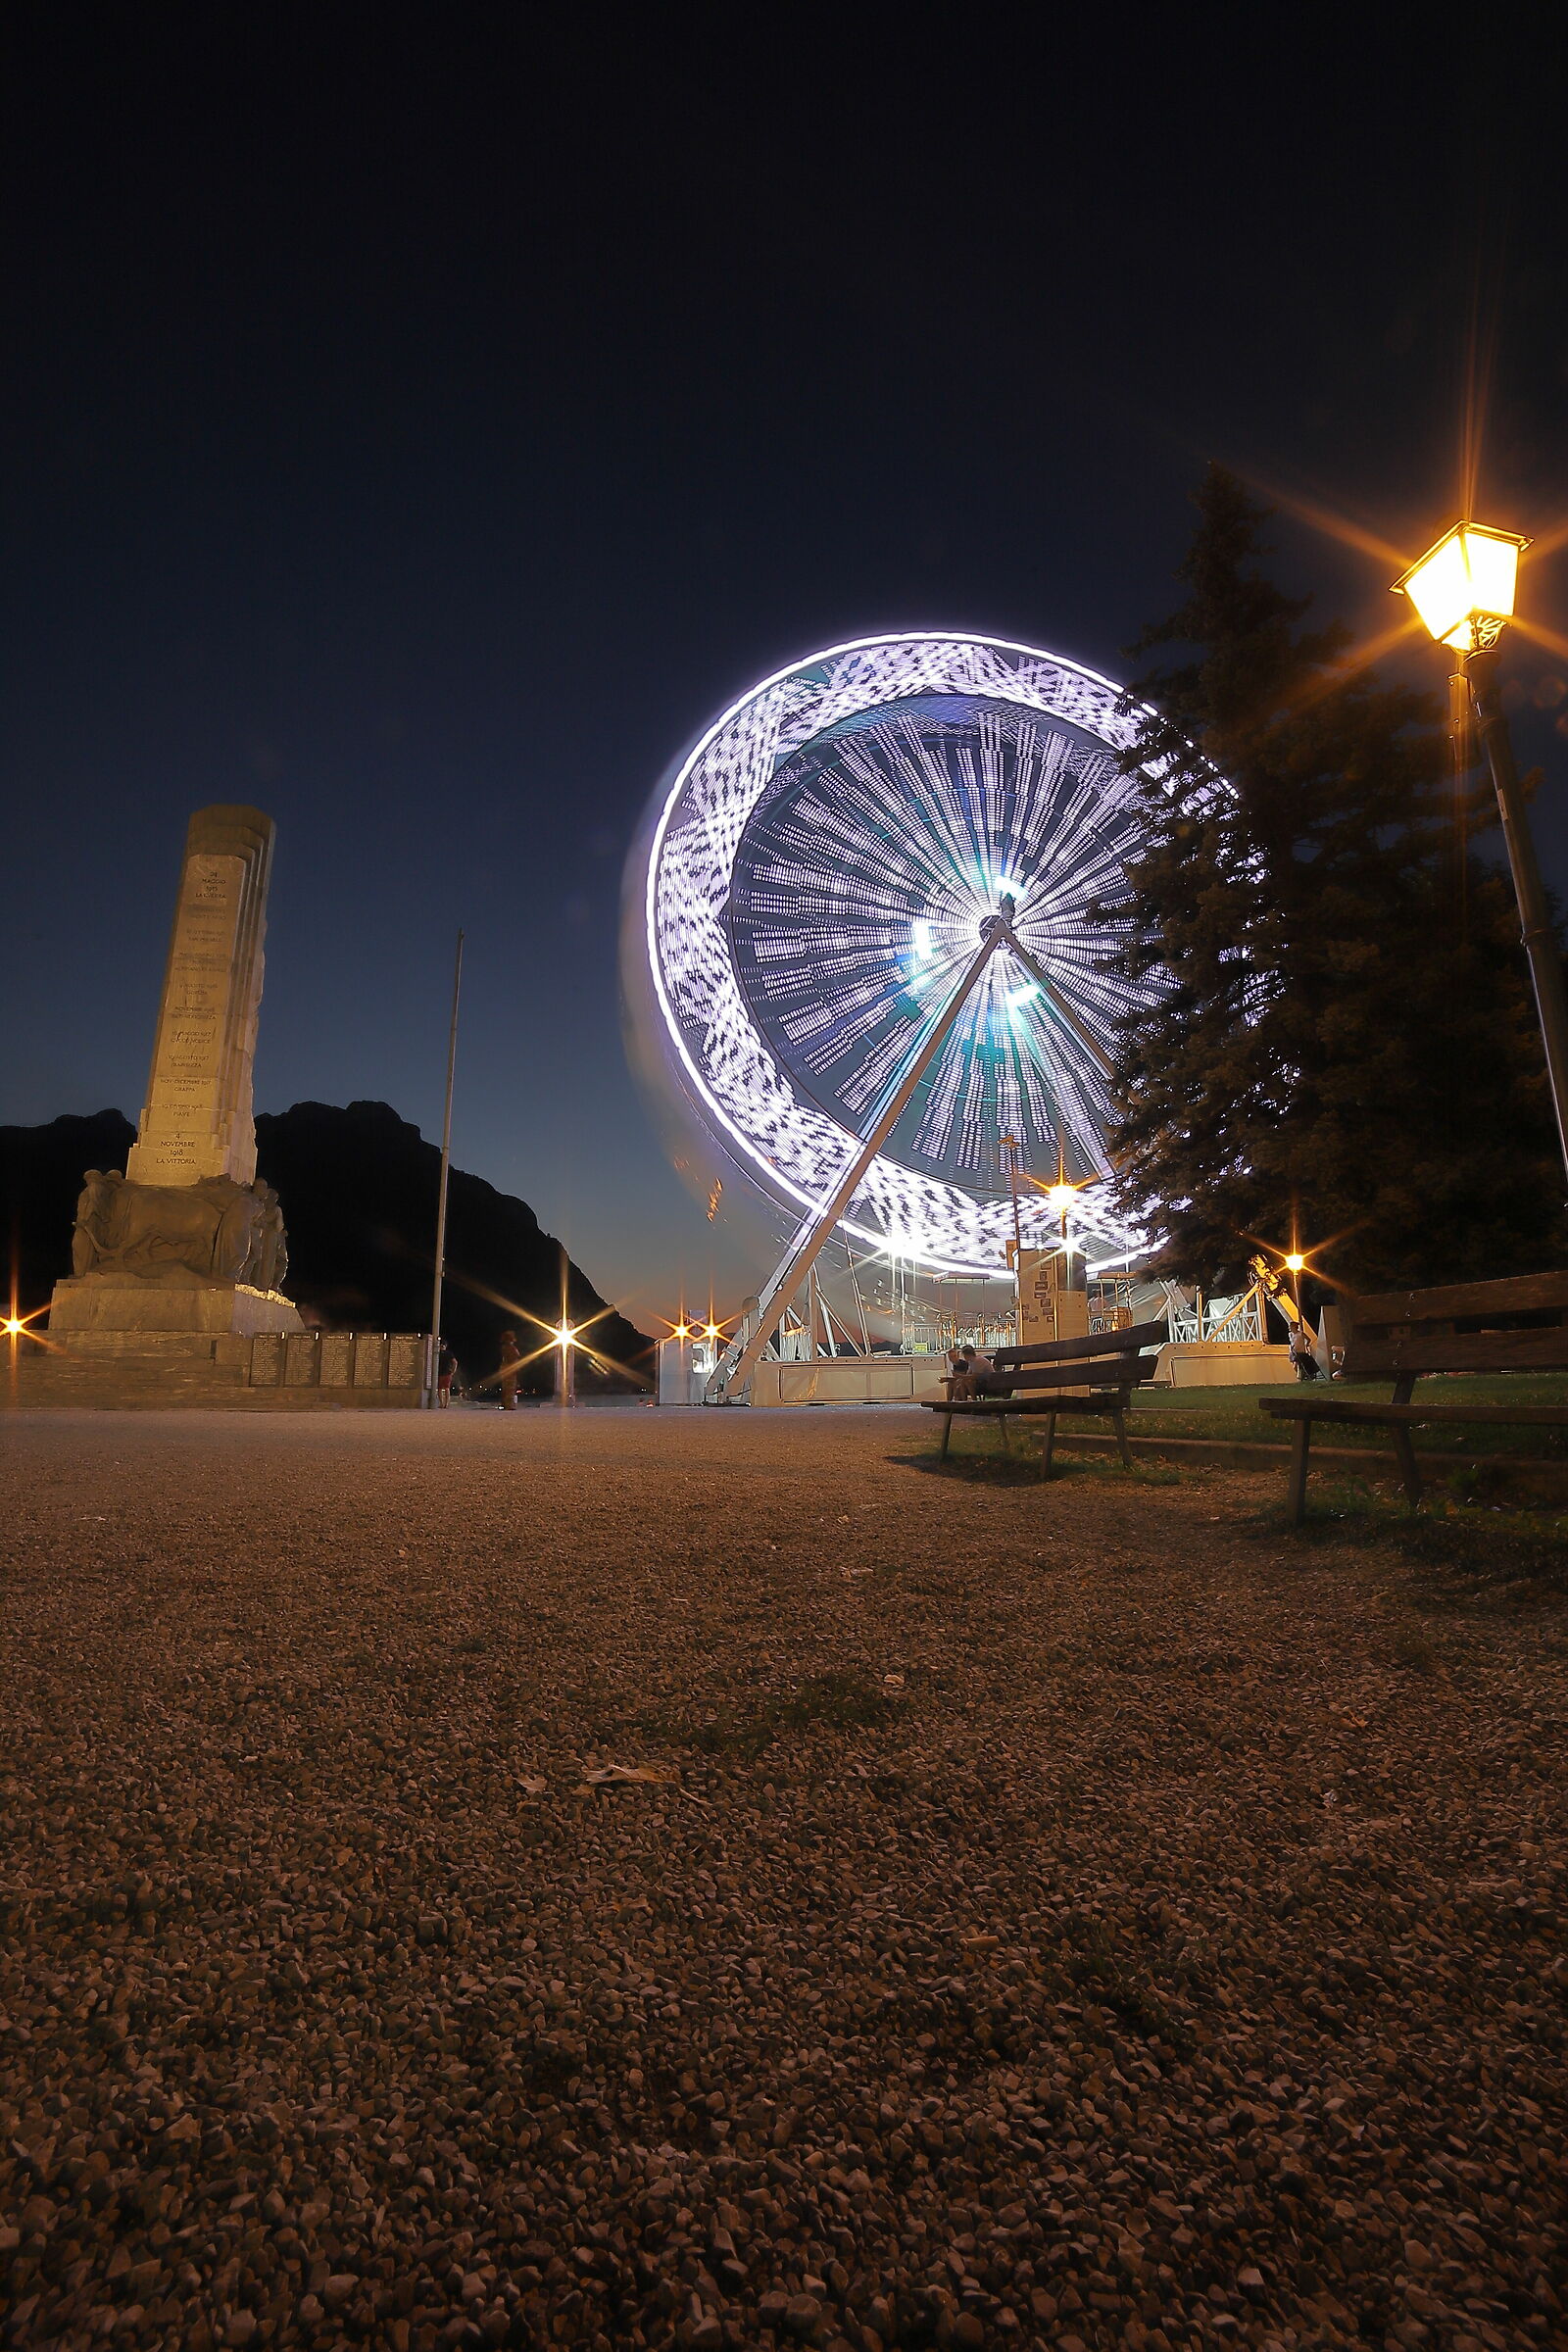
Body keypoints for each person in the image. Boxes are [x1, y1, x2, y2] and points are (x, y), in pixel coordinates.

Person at [497, 1329, 520, 1410]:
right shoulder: (510, 1347)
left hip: (505, 1368)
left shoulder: (505, 1347)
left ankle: (505, 1404)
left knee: (505, 1387)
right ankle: (509, 1405)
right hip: (509, 1368)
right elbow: (513, 1358)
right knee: (510, 1387)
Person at [436, 1340, 457, 1407]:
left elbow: (455, 1362)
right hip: (447, 1373)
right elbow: (455, 1362)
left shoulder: (437, 1353)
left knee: (440, 1389)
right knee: (446, 1388)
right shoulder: (449, 1353)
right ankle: (446, 1404)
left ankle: (441, 1404)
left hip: (439, 1373)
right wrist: (453, 1371)